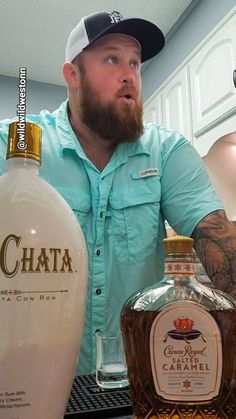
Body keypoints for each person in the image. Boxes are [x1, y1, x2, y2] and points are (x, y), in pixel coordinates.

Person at [0, 10, 236, 375]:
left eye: (135, 63)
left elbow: (219, 242)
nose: (129, 75)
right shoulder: (14, 143)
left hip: (141, 382)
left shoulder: (166, 151)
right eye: (112, 59)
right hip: (31, 383)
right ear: (72, 75)